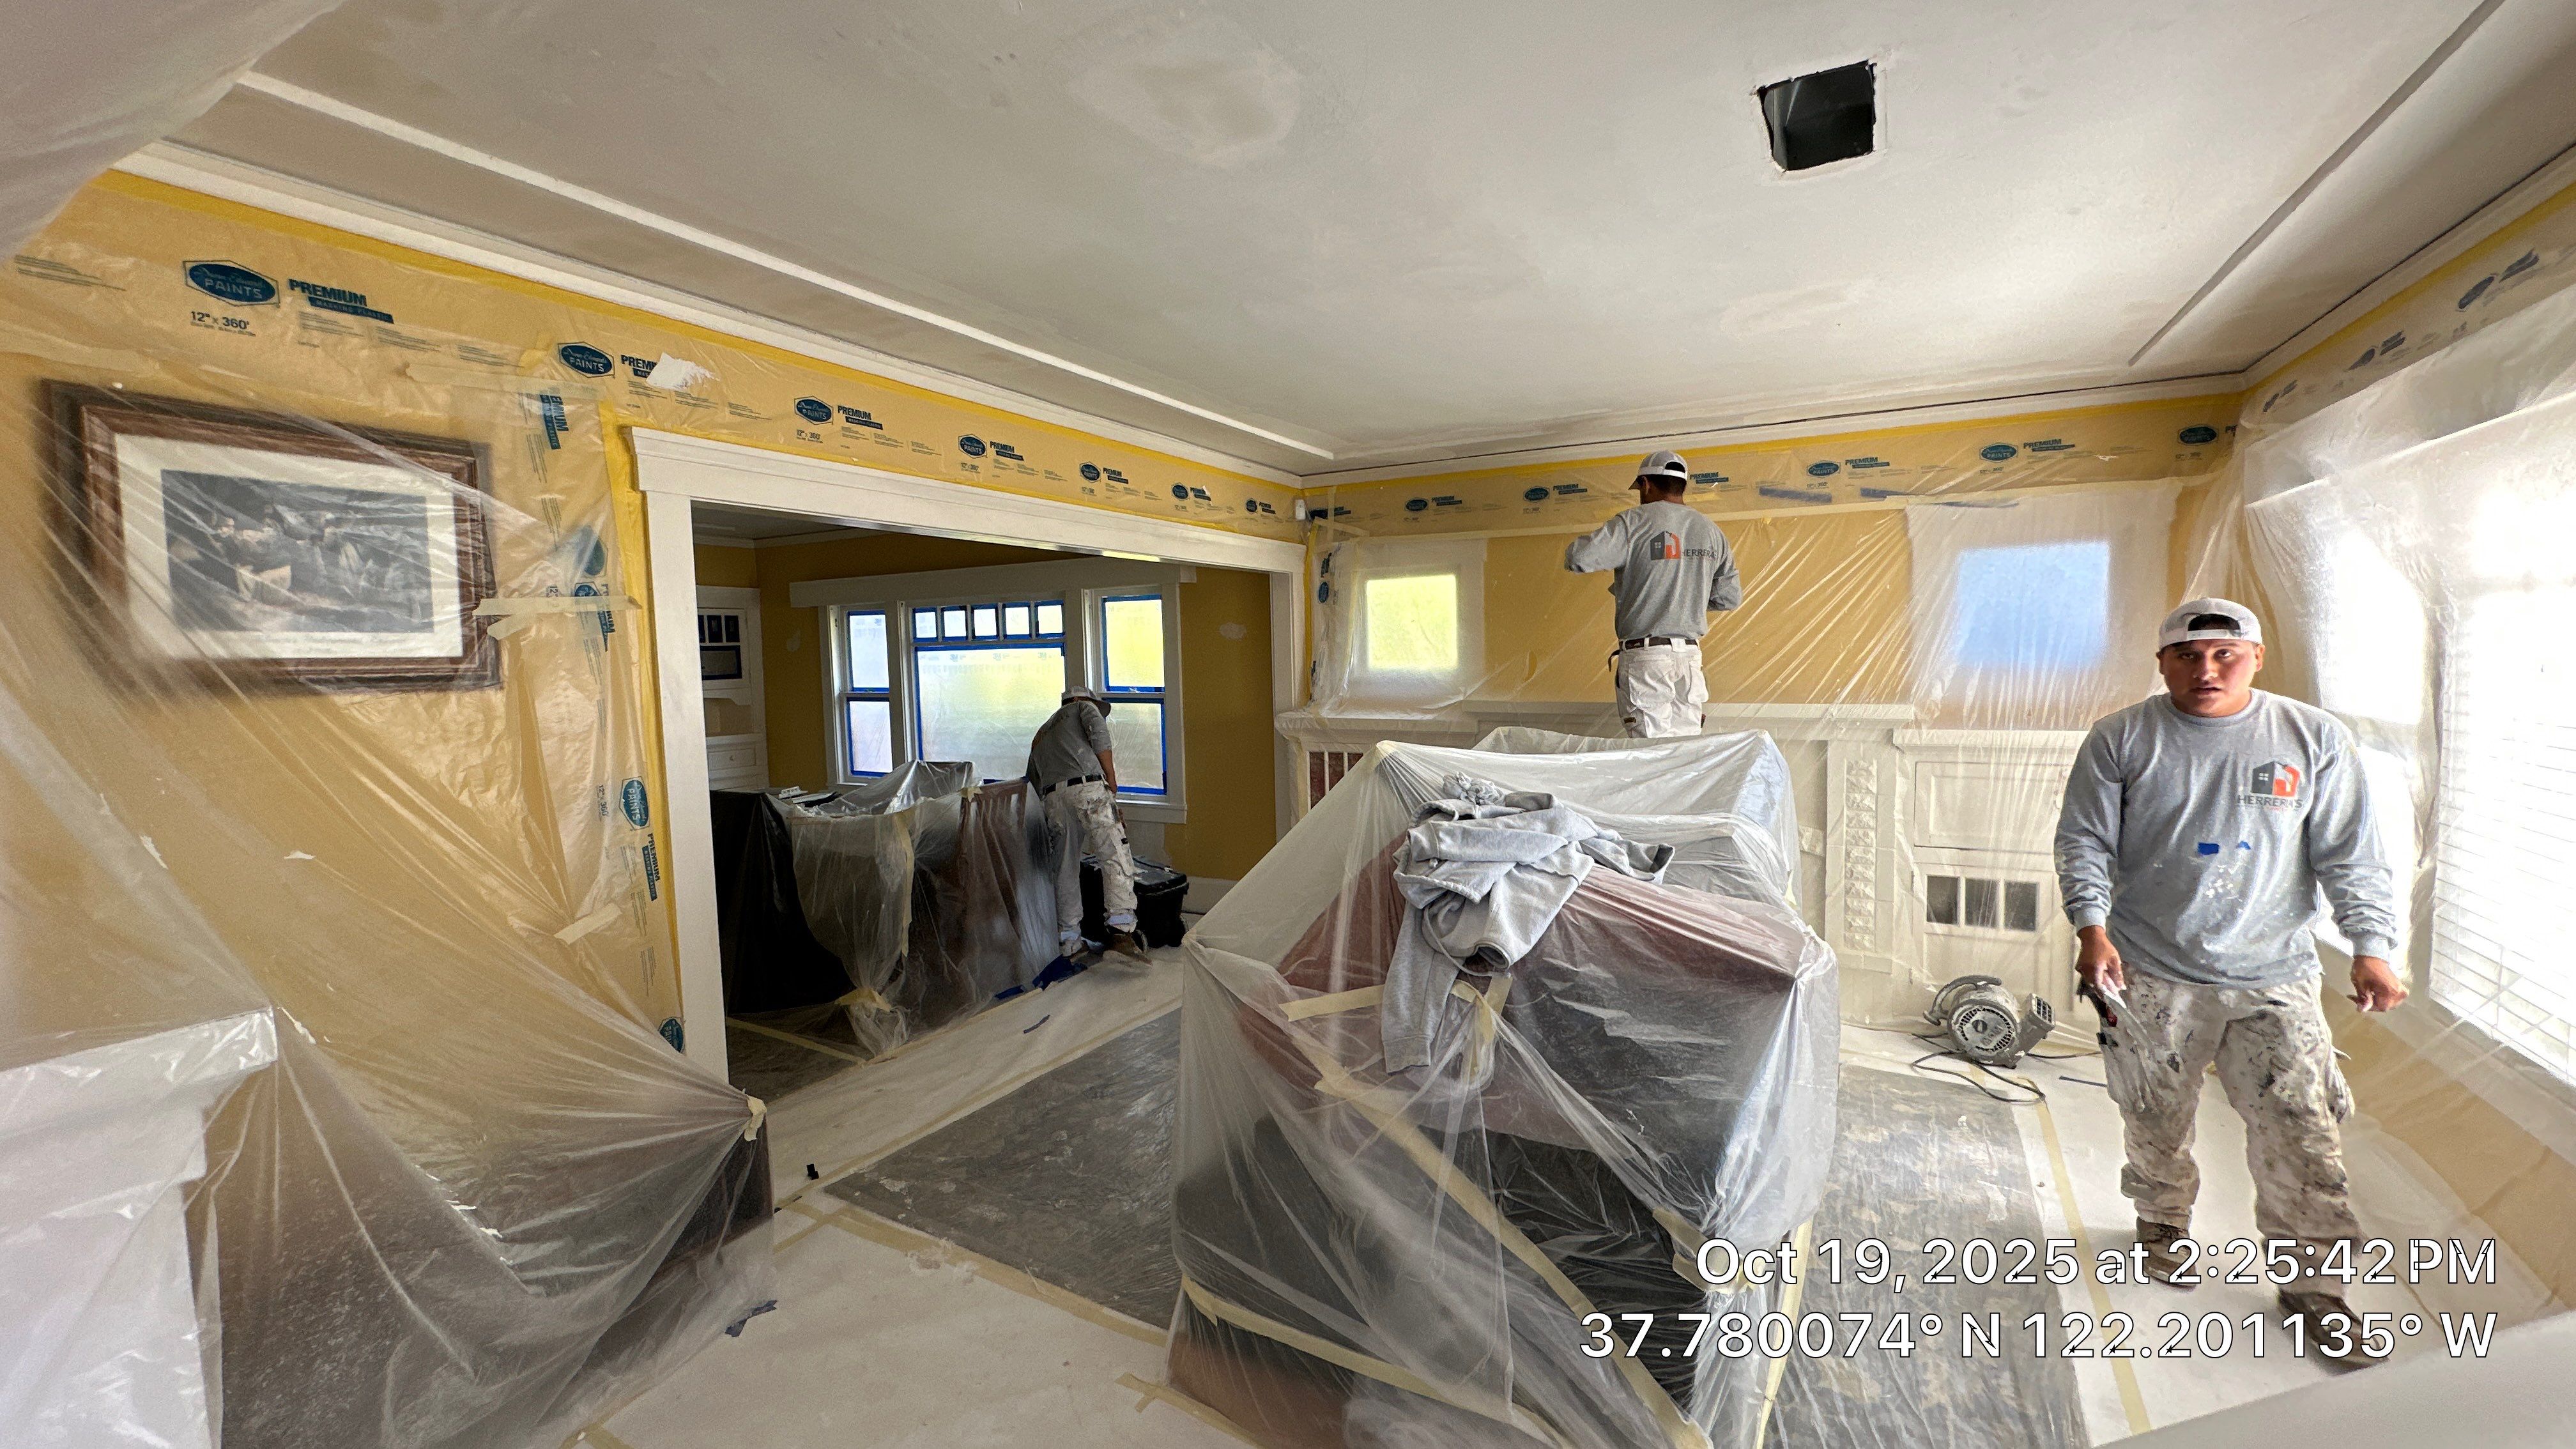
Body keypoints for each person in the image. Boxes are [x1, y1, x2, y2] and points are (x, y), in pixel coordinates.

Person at [2054, 597, 2404, 1367]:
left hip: (2275, 974)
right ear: (2161, 662)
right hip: (2153, 970)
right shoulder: (2124, 739)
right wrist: (2092, 929)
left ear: (2256, 656)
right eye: (2187, 655)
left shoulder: (2312, 740)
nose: (2205, 670)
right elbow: (2082, 840)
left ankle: (2317, 1290)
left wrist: (2371, 946)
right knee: (2154, 1115)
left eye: (2225, 655)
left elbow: (2351, 853)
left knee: (2303, 1132)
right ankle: (2163, 1222)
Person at [1562, 450, 1741, 738]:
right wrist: (1685, 597)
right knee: (1684, 752)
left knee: (1650, 754)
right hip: (1690, 661)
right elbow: (1729, 598)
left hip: (1647, 658)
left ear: (1645, 484)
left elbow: (1578, 557)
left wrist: (1647, 588)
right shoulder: (1711, 531)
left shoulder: (1633, 523)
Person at [1029, 686, 1147, 961]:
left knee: (1065, 868)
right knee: (1114, 854)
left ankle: (1070, 942)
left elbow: (1033, 779)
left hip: (1053, 800)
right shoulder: (1084, 708)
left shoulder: (1043, 732)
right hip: (1088, 789)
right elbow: (1099, 737)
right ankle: (1121, 933)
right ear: (1083, 699)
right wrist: (1111, 782)